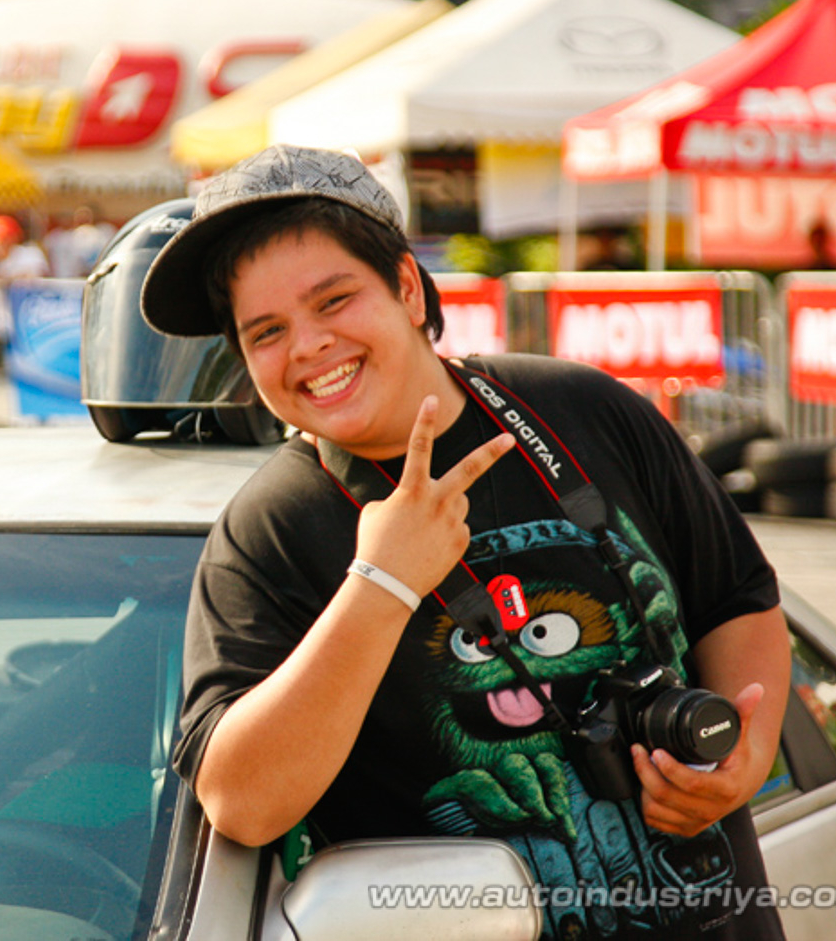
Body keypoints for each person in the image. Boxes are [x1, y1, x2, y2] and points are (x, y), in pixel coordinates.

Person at [139, 145, 789, 940]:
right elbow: (241, 801)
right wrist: (381, 583)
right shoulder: (269, 529)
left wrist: (746, 757)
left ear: (407, 289)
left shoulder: (581, 409)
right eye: (265, 330)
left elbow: (739, 598)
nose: (307, 345)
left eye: (334, 300)